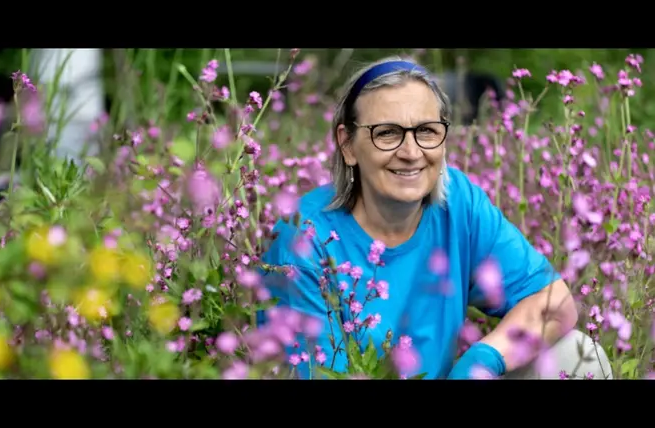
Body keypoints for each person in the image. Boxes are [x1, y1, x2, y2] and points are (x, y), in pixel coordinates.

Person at [259, 56, 611, 380]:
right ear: (348, 144)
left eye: (426, 130)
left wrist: (482, 361)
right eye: (387, 133)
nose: (411, 153)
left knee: (579, 355)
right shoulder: (302, 237)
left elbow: (555, 304)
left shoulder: (459, 202)